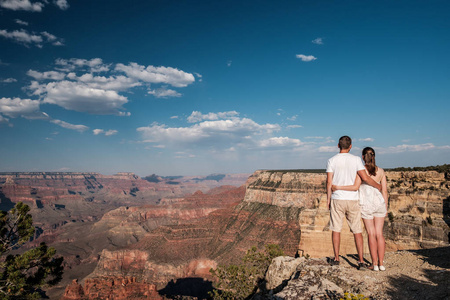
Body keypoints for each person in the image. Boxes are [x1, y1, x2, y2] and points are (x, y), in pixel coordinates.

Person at [326, 136, 381, 269]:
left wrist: (328, 199)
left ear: (338, 146)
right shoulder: (356, 160)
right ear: (350, 146)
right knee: (357, 231)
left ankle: (336, 258)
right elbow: (365, 178)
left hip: (337, 198)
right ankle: (361, 261)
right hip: (353, 199)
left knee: (336, 229)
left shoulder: (331, 160)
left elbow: (329, 182)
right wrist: (378, 186)